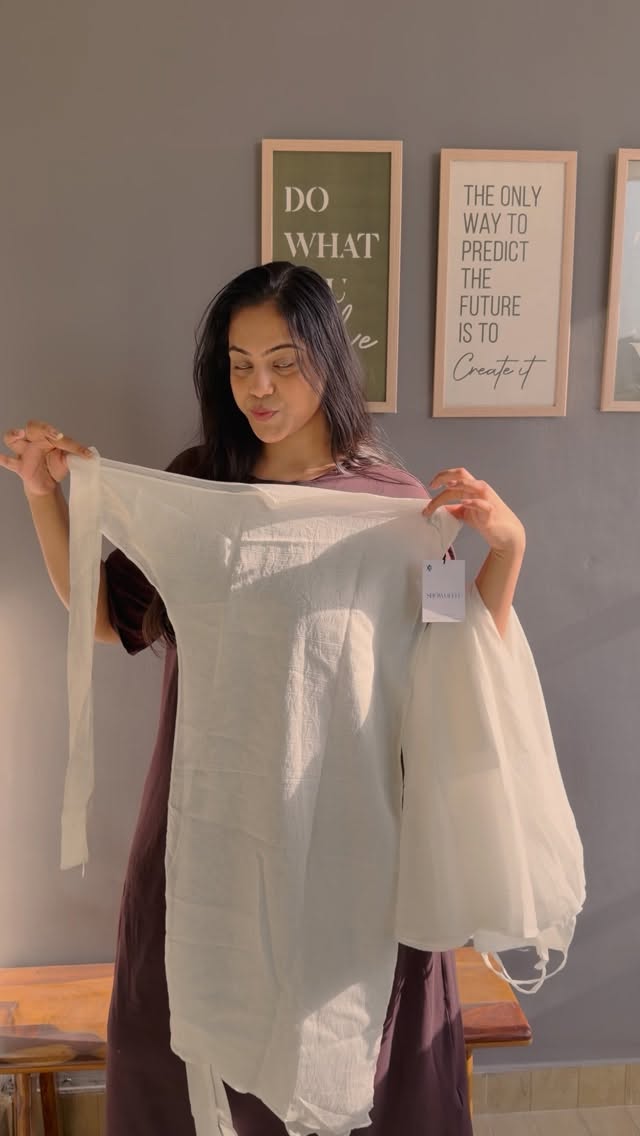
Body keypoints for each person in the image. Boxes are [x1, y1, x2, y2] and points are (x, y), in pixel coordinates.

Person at [0, 261, 526, 1136]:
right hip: (206, 826)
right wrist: (41, 495)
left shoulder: (395, 510)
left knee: (356, 1055)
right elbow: (101, 618)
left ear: (328, 360)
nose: (260, 388)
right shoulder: (200, 490)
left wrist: (505, 553)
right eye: (240, 365)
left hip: (353, 839)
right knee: (190, 1058)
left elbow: (453, 662)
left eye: (284, 362)